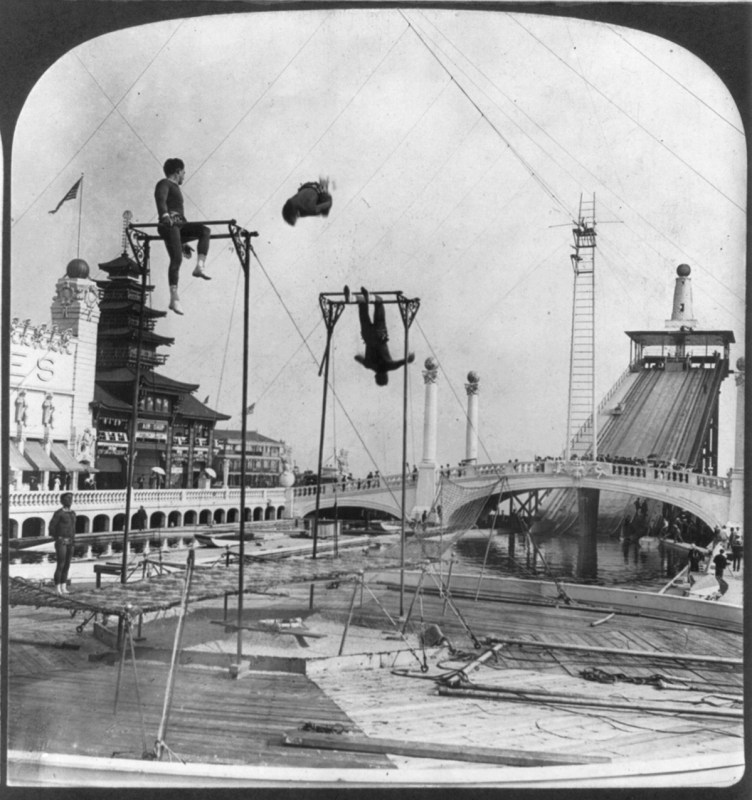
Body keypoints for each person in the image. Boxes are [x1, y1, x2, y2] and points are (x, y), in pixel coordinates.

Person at [155, 158, 212, 315]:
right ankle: (174, 298)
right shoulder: (164, 184)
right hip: (169, 225)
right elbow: (161, 199)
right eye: (184, 172)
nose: (184, 175)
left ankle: (199, 267)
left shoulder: (175, 187)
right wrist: (165, 216)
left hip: (179, 226)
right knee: (177, 259)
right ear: (178, 171)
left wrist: (182, 242)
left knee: (205, 231)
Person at [352, 286, 415, 386]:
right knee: (363, 312)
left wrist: (408, 360)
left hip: (380, 336)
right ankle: (363, 300)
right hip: (368, 337)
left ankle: (372, 298)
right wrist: (362, 359)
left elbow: (399, 364)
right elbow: (357, 358)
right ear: (376, 376)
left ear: (385, 375)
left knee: (379, 305)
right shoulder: (369, 365)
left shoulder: (388, 366)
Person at [49, 492, 76, 594]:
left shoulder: (73, 513)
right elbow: (51, 527)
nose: (70, 501)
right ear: (62, 501)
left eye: (71, 499)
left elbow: (73, 528)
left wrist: (73, 539)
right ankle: (57, 588)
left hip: (71, 541)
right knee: (61, 564)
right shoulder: (58, 513)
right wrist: (58, 538)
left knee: (67, 564)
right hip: (61, 541)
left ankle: (64, 587)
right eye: (67, 499)